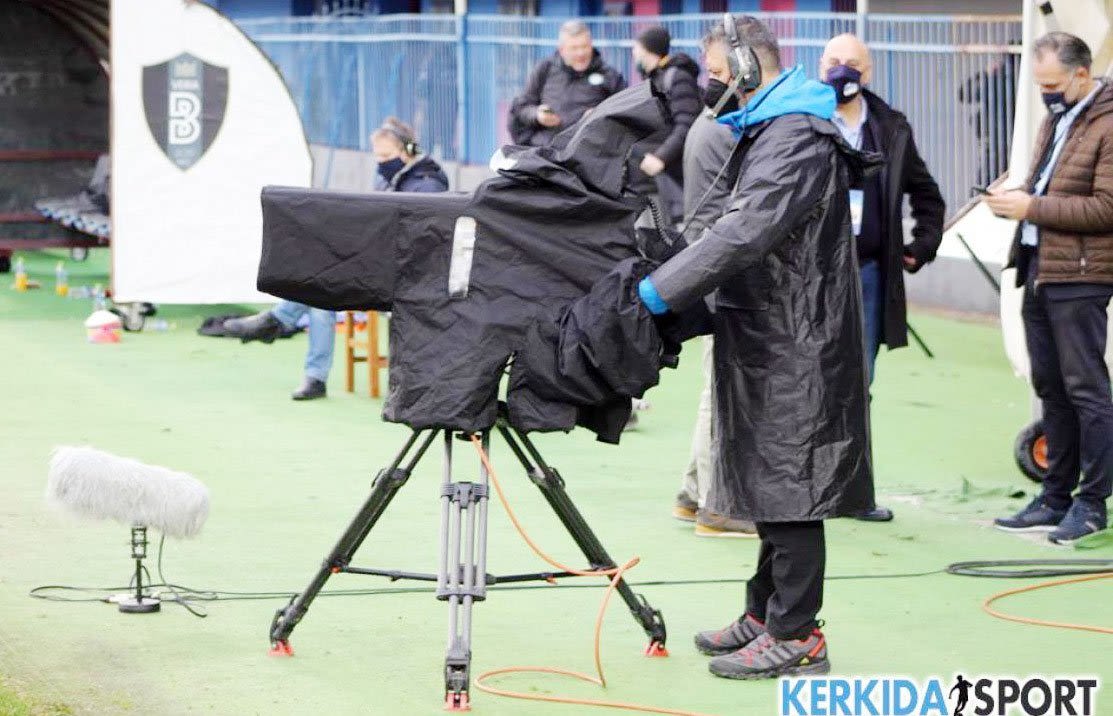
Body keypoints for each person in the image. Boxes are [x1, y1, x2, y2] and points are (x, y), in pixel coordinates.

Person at [637, 15, 876, 679]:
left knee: (790, 487)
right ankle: (765, 612)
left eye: (717, 70)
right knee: (769, 482)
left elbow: (744, 230)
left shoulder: (795, 134)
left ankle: (797, 634)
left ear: (747, 63)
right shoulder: (770, 126)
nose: (710, 82)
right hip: (769, 328)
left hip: (797, 338)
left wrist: (661, 290)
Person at [986, 32, 1113, 545]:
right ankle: (1055, 496)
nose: (1046, 93)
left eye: (1053, 84)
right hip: (1040, 267)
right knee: (1051, 388)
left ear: (1082, 74)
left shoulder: (1107, 123)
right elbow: (1047, 190)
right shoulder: (1058, 118)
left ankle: (1092, 503)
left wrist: (1031, 206)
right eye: (1041, 84)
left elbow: (1106, 208)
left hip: (1083, 275)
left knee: (1086, 390)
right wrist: (1016, 198)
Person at [224, 118, 448, 400]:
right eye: (377, 157)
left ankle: (283, 328)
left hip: (406, 275)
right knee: (322, 288)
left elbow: (420, 240)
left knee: (324, 286)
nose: (380, 163)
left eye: (386, 156)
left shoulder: (428, 186)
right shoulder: (390, 180)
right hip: (381, 265)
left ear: (408, 151)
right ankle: (308, 368)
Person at [818, 34, 946, 523]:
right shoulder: (801, 121)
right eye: (834, 61)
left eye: (852, 63)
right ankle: (803, 490)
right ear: (820, 66)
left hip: (868, 274)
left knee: (858, 382)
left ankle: (852, 492)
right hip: (811, 275)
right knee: (809, 379)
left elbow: (927, 194)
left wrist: (921, 246)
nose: (842, 71)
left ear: (867, 72)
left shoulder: (891, 128)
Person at [671, 42, 755, 538]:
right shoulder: (723, 127)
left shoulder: (710, 123)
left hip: (708, 264)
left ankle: (693, 493)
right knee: (720, 392)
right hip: (719, 268)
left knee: (715, 387)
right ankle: (715, 504)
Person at [507, 19, 626, 148]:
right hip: (546, 149)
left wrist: (600, 115)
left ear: (591, 45)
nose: (580, 53)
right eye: (574, 48)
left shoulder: (609, 75)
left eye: (584, 46)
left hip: (588, 150)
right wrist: (537, 115)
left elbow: (625, 112)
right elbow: (521, 107)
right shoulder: (545, 69)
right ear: (562, 50)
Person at [630, 25, 701, 225]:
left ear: (648, 51)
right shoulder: (654, 79)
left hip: (672, 176)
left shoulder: (677, 78)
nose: (635, 55)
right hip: (653, 179)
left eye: (637, 50)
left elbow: (686, 124)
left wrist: (661, 157)